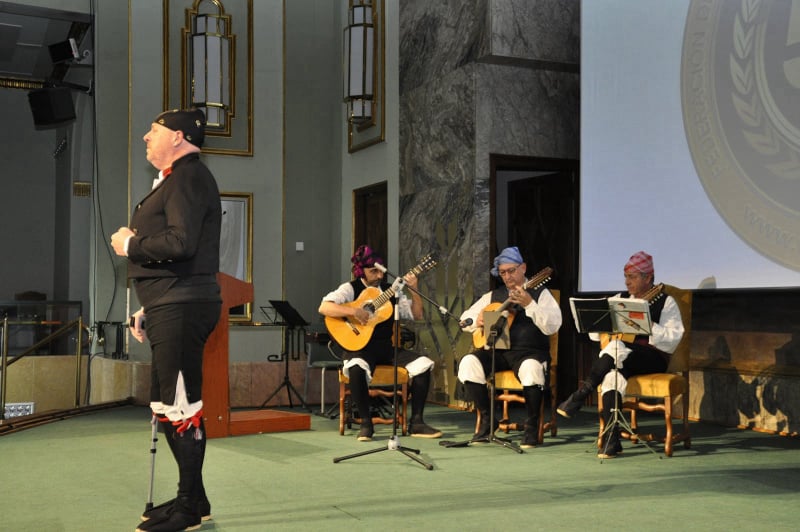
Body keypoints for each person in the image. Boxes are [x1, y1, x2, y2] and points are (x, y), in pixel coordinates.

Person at [111, 108, 222, 532]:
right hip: (170, 303)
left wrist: (131, 244)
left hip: (183, 305)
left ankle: (187, 508)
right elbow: (181, 256)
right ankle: (196, 498)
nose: (145, 136)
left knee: (182, 407)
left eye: (153, 130)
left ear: (178, 137)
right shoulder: (178, 178)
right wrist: (148, 306)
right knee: (167, 406)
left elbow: (181, 243)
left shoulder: (189, 177)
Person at [557, 251, 684, 458]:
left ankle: (582, 393)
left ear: (647, 278)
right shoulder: (619, 299)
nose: (627, 282)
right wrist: (600, 322)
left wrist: (648, 325)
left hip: (653, 358)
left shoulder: (665, 301)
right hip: (623, 359)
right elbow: (595, 336)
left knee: (616, 347)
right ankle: (611, 440)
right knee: (611, 376)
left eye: (632, 277)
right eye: (626, 277)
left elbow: (673, 338)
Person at [318, 245, 442, 441]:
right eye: (373, 271)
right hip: (359, 348)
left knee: (424, 364)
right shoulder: (350, 288)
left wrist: (415, 290)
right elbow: (324, 307)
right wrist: (354, 311)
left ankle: (417, 422)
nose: (379, 275)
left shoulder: (391, 291)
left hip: (385, 348)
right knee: (356, 367)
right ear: (361, 271)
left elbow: (417, 314)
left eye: (380, 271)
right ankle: (366, 424)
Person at [456, 246, 562, 449]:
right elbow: (464, 320)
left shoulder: (539, 292)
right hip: (498, 352)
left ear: (523, 268)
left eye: (511, 271)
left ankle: (531, 426)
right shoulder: (493, 295)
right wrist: (477, 320)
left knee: (531, 369)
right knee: (468, 363)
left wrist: (530, 304)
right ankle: (488, 419)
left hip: (529, 352)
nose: (507, 276)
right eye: (502, 272)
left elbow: (553, 325)